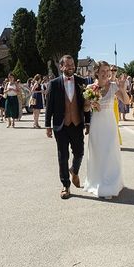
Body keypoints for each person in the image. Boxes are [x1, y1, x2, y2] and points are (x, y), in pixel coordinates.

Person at [45, 55, 90, 199]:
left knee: (80, 152)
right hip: (61, 126)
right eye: (68, 65)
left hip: (77, 124)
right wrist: (48, 126)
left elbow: (87, 104)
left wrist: (88, 122)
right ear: (61, 67)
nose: (71, 67)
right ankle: (65, 185)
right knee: (62, 156)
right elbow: (49, 106)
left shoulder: (82, 82)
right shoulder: (54, 84)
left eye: (72, 64)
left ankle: (74, 171)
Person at [83, 61, 130, 199]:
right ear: (96, 72)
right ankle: (98, 182)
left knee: (110, 152)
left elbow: (126, 102)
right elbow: (85, 108)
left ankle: (110, 184)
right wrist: (91, 104)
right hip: (96, 125)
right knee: (98, 153)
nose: (105, 73)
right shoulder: (90, 87)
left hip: (109, 125)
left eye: (107, 70)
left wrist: (122, 89)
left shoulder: (114, 86)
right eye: (103, 71)